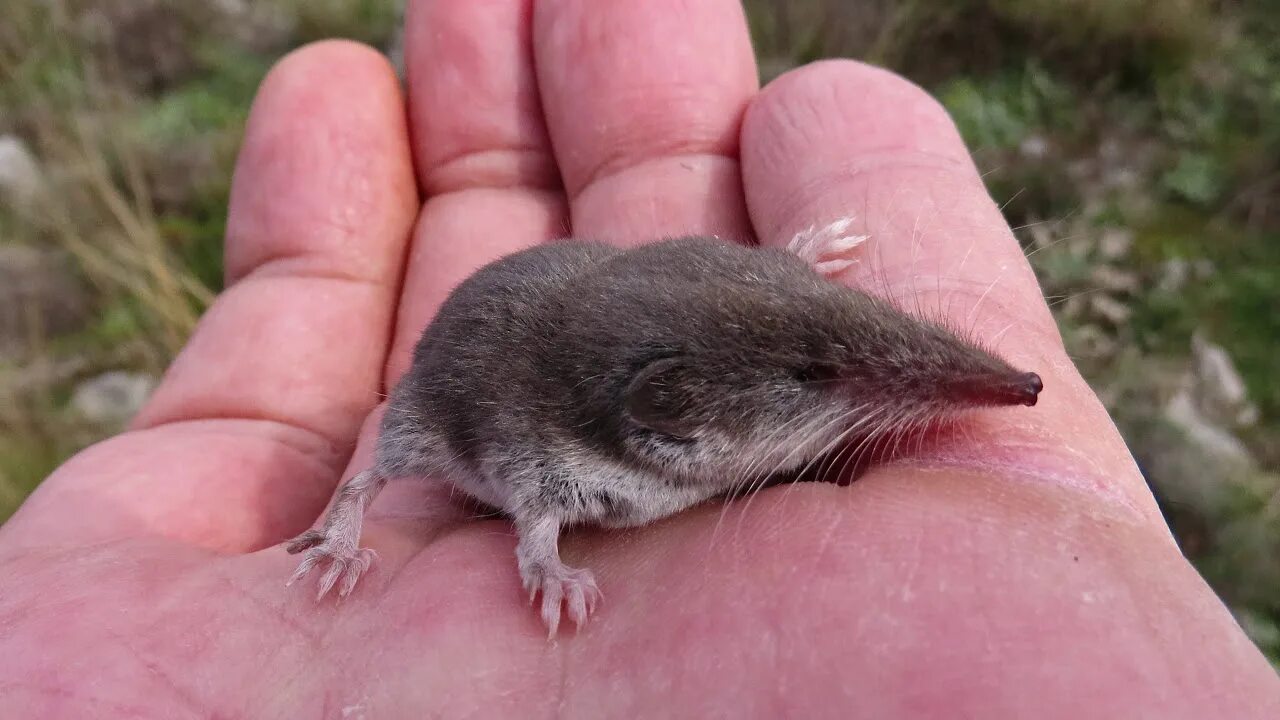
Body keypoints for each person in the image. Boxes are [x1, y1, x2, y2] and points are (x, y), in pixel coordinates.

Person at [2, 1, 1276, 717]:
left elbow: (712, 291)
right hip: (492, 376)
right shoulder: (560, 457)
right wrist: (502, 550)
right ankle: (339, 519)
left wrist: (795, 295)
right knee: (395, 442)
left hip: (595, 304)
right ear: (672, 428)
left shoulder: (681, 325)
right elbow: (489, 476)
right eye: (812, 385)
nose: (989, 400)